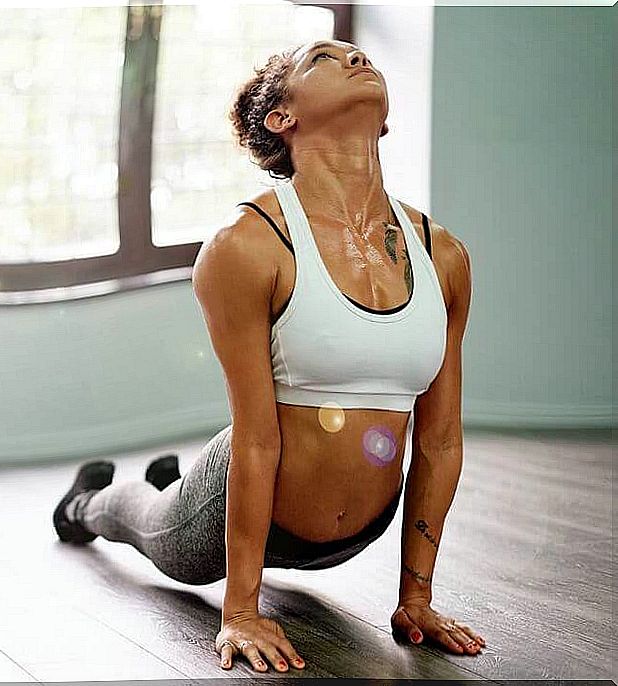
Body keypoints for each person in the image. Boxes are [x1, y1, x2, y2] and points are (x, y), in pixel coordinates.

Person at [52, 39, 484, 673]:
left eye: (361, 55)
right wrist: (241, 611)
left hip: (359, 531)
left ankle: (159, 481)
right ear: (283, 117)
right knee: (146, 524)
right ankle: (87, 502)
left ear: (384, 120)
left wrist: (415, 597)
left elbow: (441, 440)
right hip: (241, 497)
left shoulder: (442, 254)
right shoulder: (247, 246)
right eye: (324, 59)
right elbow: (257, 439)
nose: (357, 59)